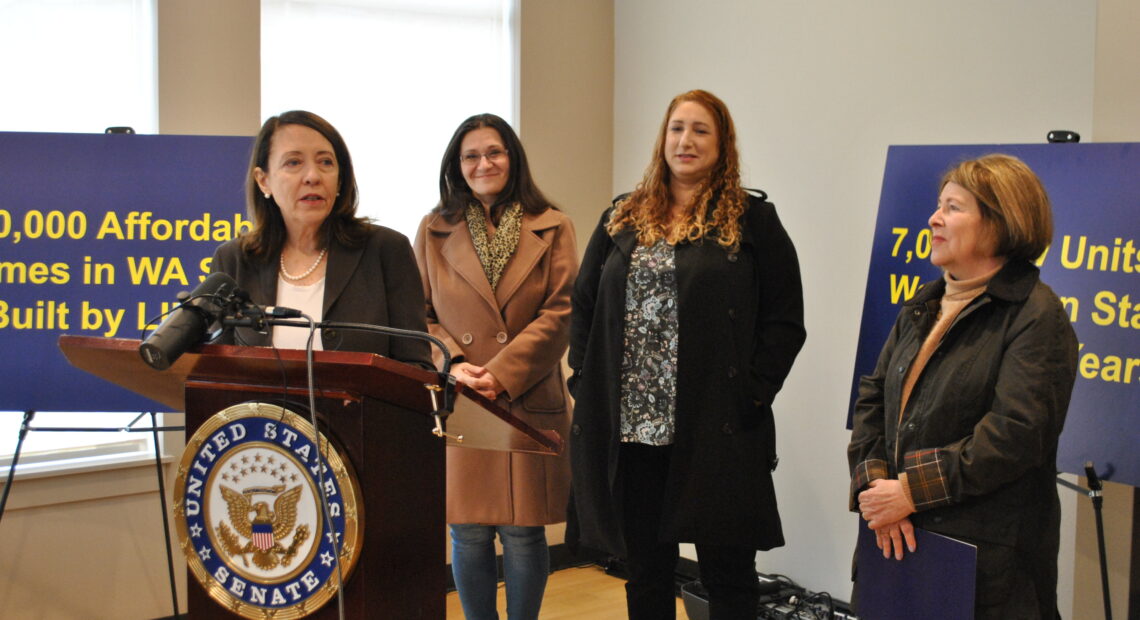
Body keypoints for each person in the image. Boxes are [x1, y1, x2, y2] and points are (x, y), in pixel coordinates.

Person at [567, 89, 806, 620]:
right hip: (634, 433)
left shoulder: (751, 219)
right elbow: (582, 305)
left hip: (715, 428)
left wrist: (752, 393)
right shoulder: (622, 216)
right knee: (646, 573)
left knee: (727, 576)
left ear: (722, 145)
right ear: (663, 139)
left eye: (701, 130)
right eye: (677, 128)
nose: (686, 140)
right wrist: (584, 379)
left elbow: (785, 321)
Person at [847, 154, 1079, 618]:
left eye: (953, 207)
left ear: (1000, 221)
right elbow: (873, 396)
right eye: (938, 205)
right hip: (896, 541)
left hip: (984, 568)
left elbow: (1016, 433)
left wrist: (912, 490)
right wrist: (876, 489)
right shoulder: (924, 304)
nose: (934, 218)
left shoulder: (1037, 314)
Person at [413, 113, 577, 620]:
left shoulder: (553, 224)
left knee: (524, 532)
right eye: (471, 155)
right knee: (467, 529)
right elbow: (418, 314)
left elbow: (564, 309)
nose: (484, 163)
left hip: (525, 393)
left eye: (494, 152)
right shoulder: (433, 229)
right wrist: (456, 364)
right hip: (462, 395)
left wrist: (502, 371)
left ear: (513, 158)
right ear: (456, 166)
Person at [211, 110, 431, 368]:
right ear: (264, 181)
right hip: (260, 411)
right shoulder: (234, 261)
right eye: (293, 163)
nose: (313, 176)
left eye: (326, 162)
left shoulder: (386, 251)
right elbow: (214, 370)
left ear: (340, 179)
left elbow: (417, 367)